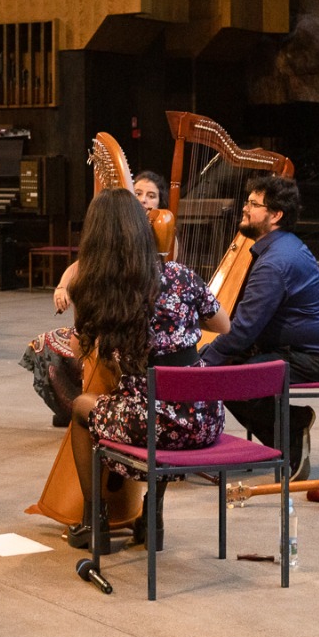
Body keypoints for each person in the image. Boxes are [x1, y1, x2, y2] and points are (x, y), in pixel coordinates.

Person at [54, 188, 230, 549]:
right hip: (203, 417)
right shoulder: (181, 275)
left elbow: (79, 348)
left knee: (82, 408)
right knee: (159, 397)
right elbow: (223, 326)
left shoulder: (98, 288)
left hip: (154, 422)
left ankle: (95, 521)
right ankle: (153, 517)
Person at [197, 175, 319, 480]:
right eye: (247, 201)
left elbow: (244, 329)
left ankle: (293, 428)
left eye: (254, 204)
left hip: (311, 358)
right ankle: (287, 437)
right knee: (229, 369)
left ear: (275, 215)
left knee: (232, 379)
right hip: (290, 349)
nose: (245, 209)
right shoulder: (280, 248)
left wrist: (203, 362)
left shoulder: (276, 262)